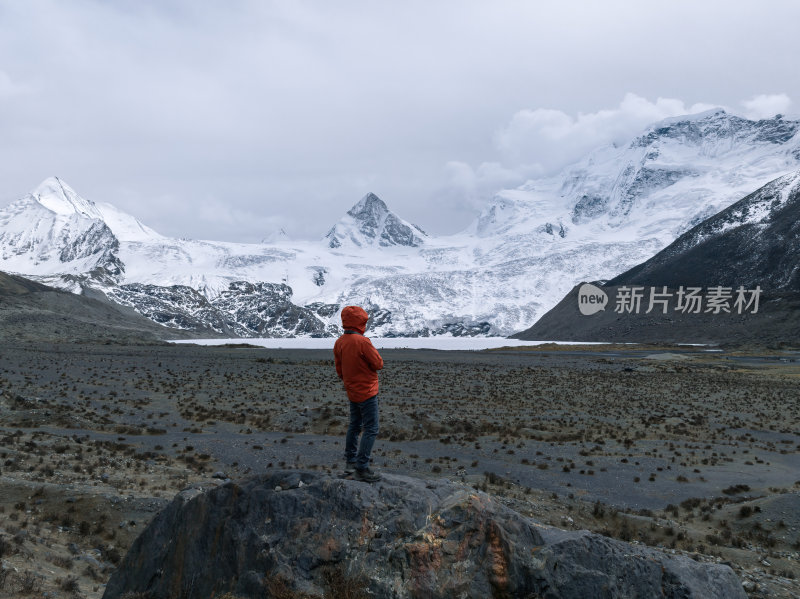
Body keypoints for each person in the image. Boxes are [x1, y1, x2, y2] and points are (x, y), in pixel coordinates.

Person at [333, 305, 383, 482]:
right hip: (367, 391)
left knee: (354, 425)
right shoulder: (362, 342)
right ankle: (362, 468)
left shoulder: (340, 342)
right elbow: (378, 363)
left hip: (352, 391)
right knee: (371, 428)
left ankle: (350, 463)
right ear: (359, 322)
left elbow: (339, 369)